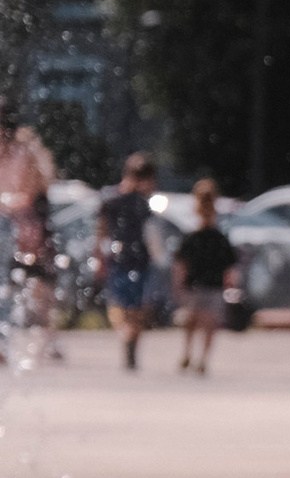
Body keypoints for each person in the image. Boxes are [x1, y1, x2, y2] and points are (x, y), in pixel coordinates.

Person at [0, 103, 60, 363]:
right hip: (12, 223)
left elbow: (30, 195)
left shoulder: (23, 155)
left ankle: (11, 342)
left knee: (25, 287)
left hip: (19, 226)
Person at [95, 153, 159, 371]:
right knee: (135, 310)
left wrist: (99, 259)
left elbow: (101, 235)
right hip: (136, 262)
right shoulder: (142, 204)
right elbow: (152, 237)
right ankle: (129, 341)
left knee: (121, 308)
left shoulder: (111, 201)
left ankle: (127, 338)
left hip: (119, 261)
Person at [173, 179, 236, 375]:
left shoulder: (193, 237)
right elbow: (230, 267)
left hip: (196, 285)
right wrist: (231, 286)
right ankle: (202, 358)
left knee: (191, 322)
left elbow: (180, 263)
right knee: (209, 324)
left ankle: (188, 353)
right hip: (213, 285)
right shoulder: (219, 238)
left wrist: (179, 285)